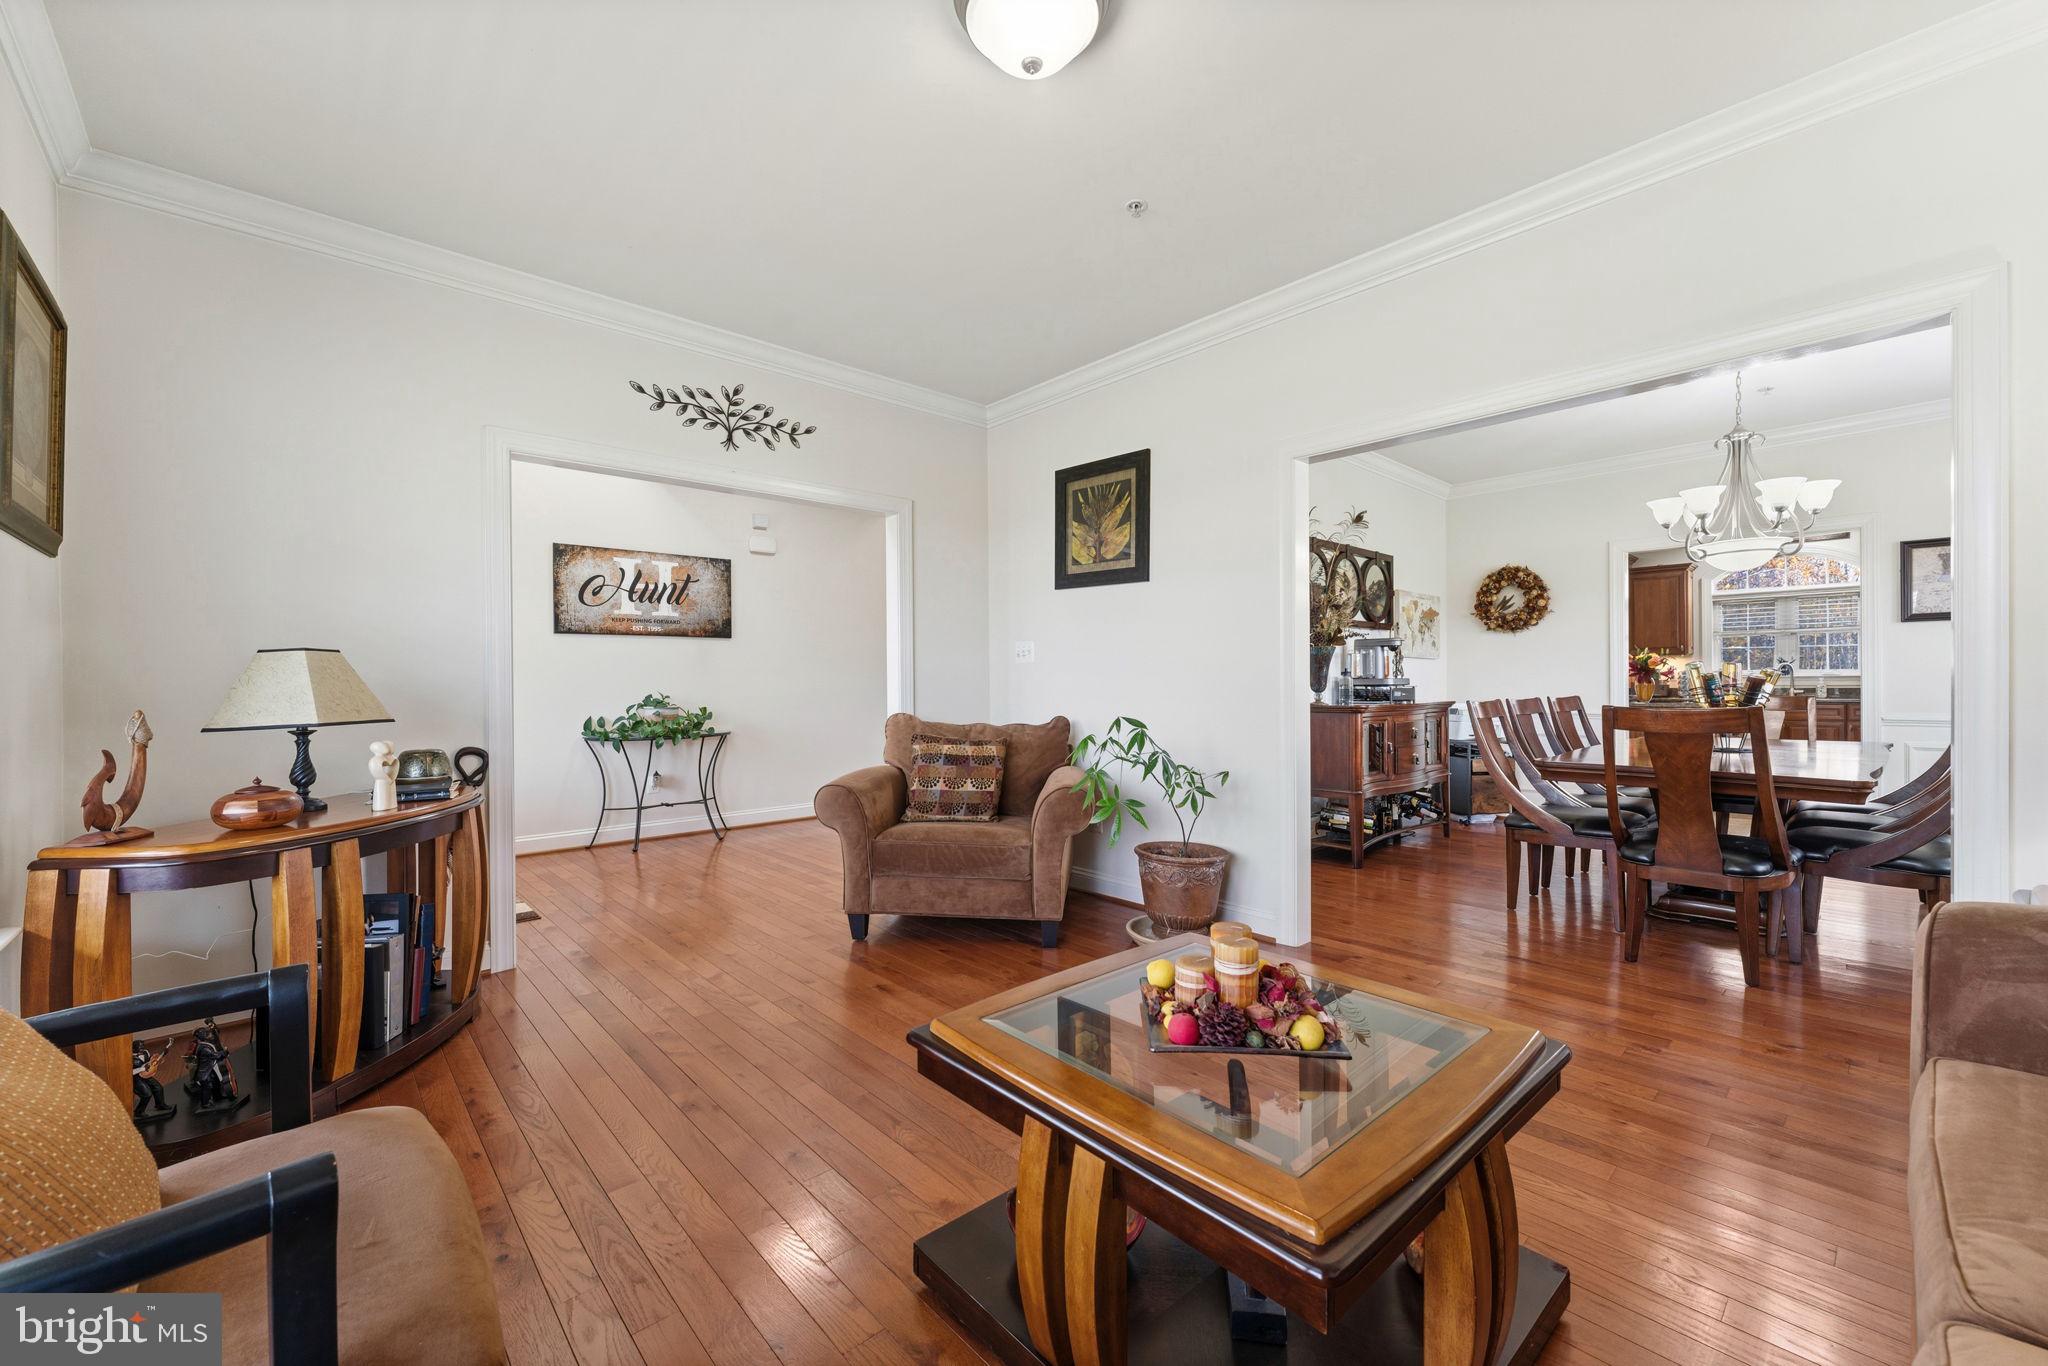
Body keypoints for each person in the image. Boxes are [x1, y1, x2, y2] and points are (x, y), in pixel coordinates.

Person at [131, 1040, 175, 1121]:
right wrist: (142, 1069)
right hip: (136, 1078)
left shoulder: (145, 1052)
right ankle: (139, 1112)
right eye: (140, 1047)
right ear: (133, 1048)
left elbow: (151, 1062)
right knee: (146, 1094)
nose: (142, 1048)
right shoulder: (128, 1058)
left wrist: (163, 1054)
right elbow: (128, 1072)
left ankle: (160, 1105)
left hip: (146, 1075)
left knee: (158, 1088)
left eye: (143, 1046)